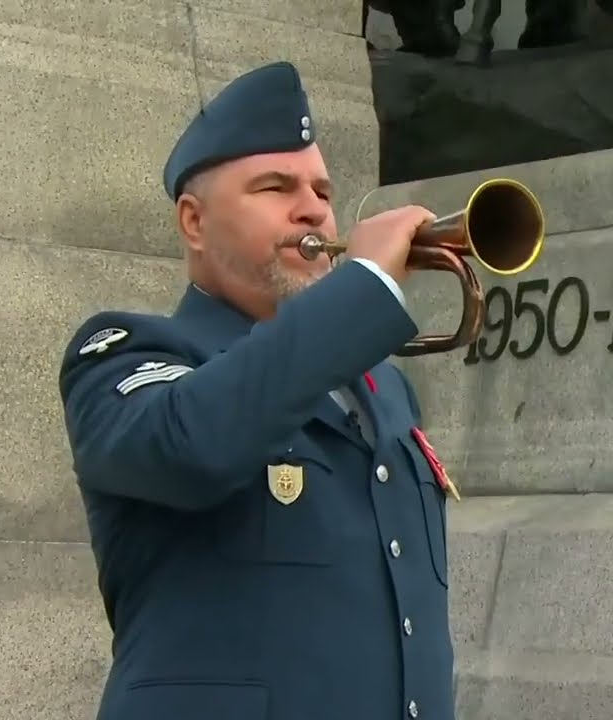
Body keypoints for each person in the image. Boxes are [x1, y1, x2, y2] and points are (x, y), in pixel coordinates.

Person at [57, 61, 456, 720]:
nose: (312, 208)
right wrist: (363, 291)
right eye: (275, 187)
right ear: (194, 223)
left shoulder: (382, 386)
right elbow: (196, 445)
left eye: (323, 191)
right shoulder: (126, 355)